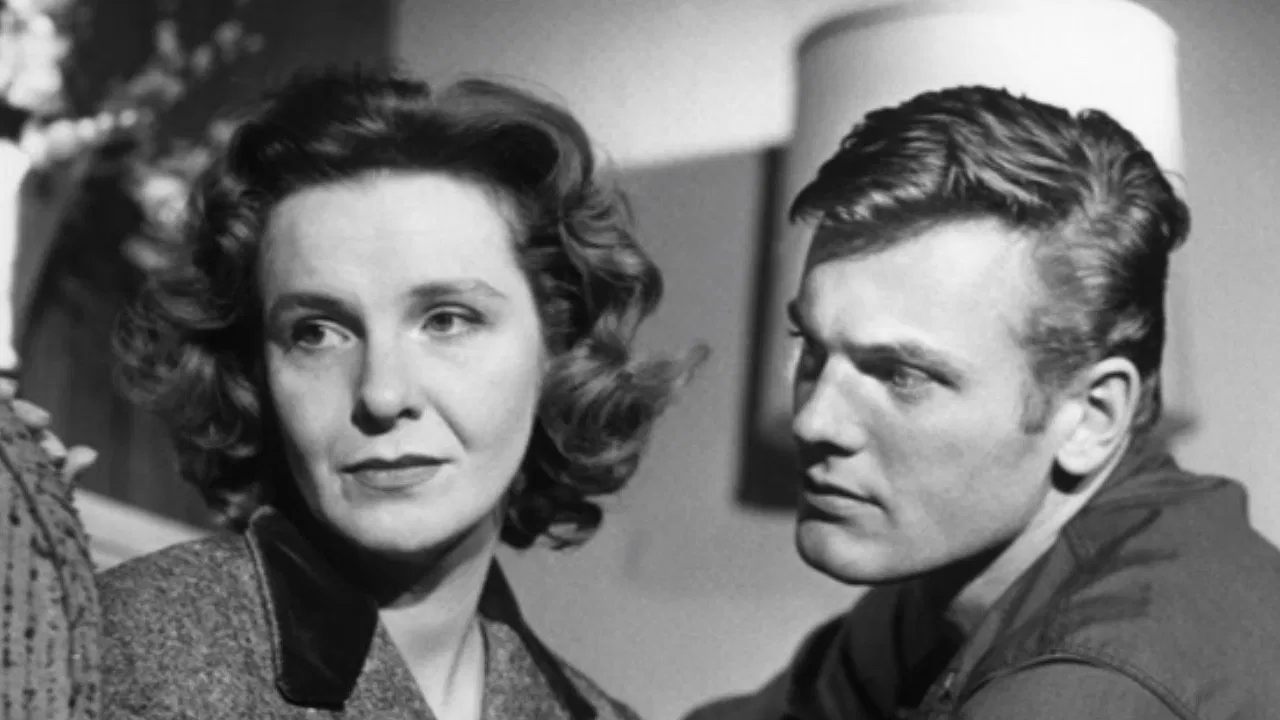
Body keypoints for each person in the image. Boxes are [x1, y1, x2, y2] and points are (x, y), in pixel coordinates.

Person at [98, 67, 697, 719]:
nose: (382, 395)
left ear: (558, 350)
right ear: (255, 374)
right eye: (317, 333)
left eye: (447, 321)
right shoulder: (123, 658)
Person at [691, 85, 1280, 719]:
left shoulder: (1086, 689)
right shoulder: (960, 575)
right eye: (811, 348)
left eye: (901, 375)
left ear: (1092, 416)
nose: (813, 421)